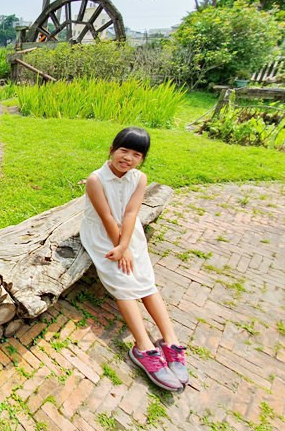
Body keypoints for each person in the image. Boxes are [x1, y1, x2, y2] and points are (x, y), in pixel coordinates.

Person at [79, 127, 189, 392]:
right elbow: (106, 217)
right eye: (123, 150)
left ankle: (170, 340)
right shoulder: (96, 179)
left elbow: (130, 213)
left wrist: (126, 245)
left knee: (146, 282)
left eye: (136, 154)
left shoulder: (139, 178)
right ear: (112, 150)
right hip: (102, 235)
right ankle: (144, 347)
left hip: (129, 234)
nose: (127, 158)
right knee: (123, 283)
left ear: (142, 159)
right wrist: (119, 247)